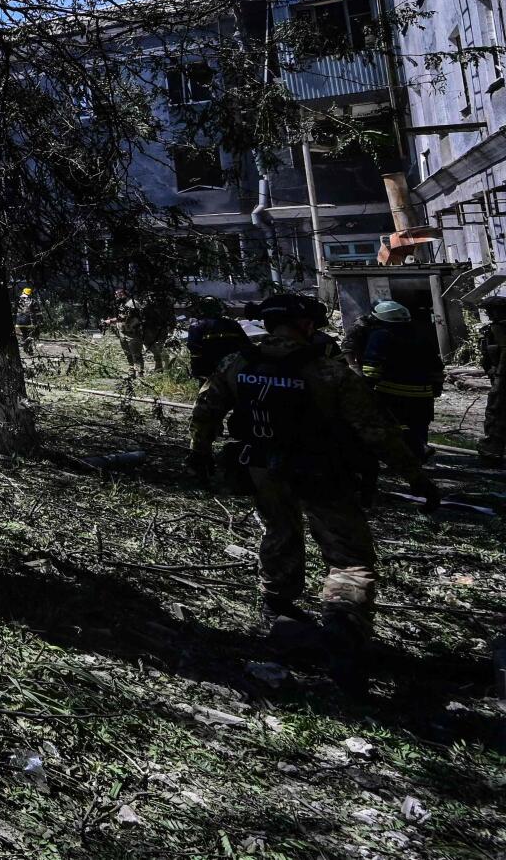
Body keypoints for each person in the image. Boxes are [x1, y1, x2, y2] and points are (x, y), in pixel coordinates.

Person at [189, 293, 440, 692]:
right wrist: (416, 478)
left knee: (279, 531)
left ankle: (279, 610)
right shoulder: (329, 372)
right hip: (322, 472)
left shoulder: (237, 363)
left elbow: (205, 411)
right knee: (348, 560)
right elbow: (376, 432)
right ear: (305, 324)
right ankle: (342, 624)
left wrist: (199, 453)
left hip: (260, 467)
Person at [347, 299, 443, 460]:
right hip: (423, 396)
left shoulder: (380, 335)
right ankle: (419, 454)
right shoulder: (421, 335)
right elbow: (436, 367)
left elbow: (372, 366)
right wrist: (437, 387)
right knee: (419, 426)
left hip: (391, 393)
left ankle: (405, 458)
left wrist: (366, 387)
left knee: (394, 425)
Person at [184, 296, 246, 384]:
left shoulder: (197, 326)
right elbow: (246, 345)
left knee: (207, 394)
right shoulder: (233, 324)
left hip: (208, 371)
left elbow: (194, 350)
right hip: (234, 368)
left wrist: (197, 372)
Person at [477, 297, 506, 467]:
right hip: (498, 375)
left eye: (490, 310)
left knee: (496, 410)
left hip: (502, 378)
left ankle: (492, 449)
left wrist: (500, 377)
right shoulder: (494, 329)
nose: (488, 313)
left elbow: (504, 352)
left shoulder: (499, 329)